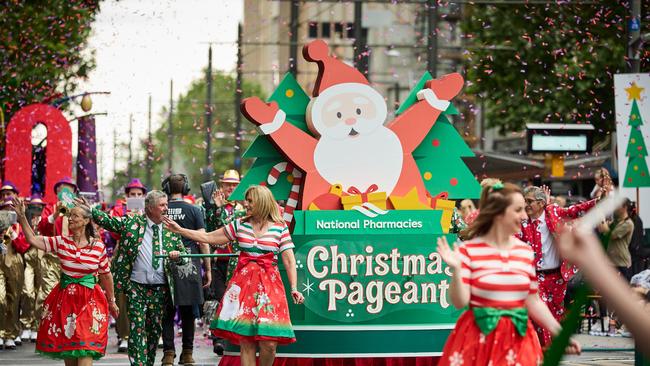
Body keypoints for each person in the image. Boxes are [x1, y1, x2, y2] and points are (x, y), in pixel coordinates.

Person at [436, 183, 580, 365]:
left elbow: (534, 301)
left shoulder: (525, 252)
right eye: (518, 209)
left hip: (518, 340)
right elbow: (460, 302)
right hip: (480, 340)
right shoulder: (469, 250)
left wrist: (561, 334)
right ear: (499, 213)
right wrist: (457, 270)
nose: (524, 215)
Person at [164, 185, 304, 366]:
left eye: (250, 201)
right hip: (243, 285)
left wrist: (294, 287)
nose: (246, 204)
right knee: (246, 340)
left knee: (269, 343)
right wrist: (180, 230)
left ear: (261, 202)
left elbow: (289, 260)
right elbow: (209, 237)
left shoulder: (280, 228)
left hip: (270, 286)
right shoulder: (240, 225)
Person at [83, 190, 187, 366]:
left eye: (166, 204)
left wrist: (178, 256)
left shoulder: (171, 228)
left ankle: (147, 362)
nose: (166, 208)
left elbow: (184, 256)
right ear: (149, 208)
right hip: (135, 287)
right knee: (137, 329)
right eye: (162, 205)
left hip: (160, 289)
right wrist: (90, 210)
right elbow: (108, 221)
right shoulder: (132, 223)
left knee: (154, 332)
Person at [12, 198, 119, 364]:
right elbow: (33, 239)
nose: (70, 219)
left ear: (86, 221)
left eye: (75, 216)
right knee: (69, 355)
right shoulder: (61, 241)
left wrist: (112, 301)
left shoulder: (98, 246)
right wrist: (22, 217)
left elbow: (106, 275)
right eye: (70, 215)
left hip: (90, 301)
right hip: (65, 303)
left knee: (85, 349)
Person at [518, 185, 597, 346]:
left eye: (529, 201)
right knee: (540, 316)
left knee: (555, 317)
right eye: (524, 201)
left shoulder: (553, 212)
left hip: (557, 277)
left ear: (541, 203)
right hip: (535, 277)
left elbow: (576, 210)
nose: (526, 205)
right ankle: (543, 352)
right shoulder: (521, 221)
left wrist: (599, 201)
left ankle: (551, 352)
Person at [557, 226, 650, 356]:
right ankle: (607, 319)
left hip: (620, 264)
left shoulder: (627, 224)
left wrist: (594, 265)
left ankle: (607, 319)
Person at [161, 174, 211, 365]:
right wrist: (208, 268)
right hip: (190, 263)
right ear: (186, 189)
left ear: (166, 189)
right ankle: (188, 353)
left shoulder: (161, 209)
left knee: (167, 310)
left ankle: (168, 354)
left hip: (164, 262)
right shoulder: (194, 209)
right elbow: (203, 241)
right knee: (188, 311)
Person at [202, 169, 246, 355]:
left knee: (236, 300)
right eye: (227, 184)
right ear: (222, 186)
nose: (230, 187)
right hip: (219, 261)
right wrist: (215, 208)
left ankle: (234, 338)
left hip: (237, 262)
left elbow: (231, 228)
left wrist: (220, 209)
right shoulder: (213, 206)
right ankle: (219, 339)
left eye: (234, 184)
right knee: (219, 299)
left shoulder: (243, 208)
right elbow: (211, 230)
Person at [108, 178, 147, 353]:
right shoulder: (118, 210)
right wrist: (127, 218)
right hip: (123, 258)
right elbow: (113, 235)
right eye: (133, 194)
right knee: (121, 297)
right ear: (127, 195)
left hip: (143, 258)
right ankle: (123, 335)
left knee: (144, 296)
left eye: (139, 194)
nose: (136, 197)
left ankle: (143, 333)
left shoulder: (149, 210)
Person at [19, 193, 50, 344]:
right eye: (33, 206)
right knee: (27, 291)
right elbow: (22, 240)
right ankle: (26, 324)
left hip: (44, 260)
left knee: (42, 294)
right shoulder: (25, 220)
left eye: (40, 206)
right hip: (29, 259)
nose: (36, 209)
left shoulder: (46, 220)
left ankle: (37, 327)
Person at [0, 197, 29, 350]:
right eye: (5, 209)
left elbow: (24, 247)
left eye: (11, 210)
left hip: (14, 263)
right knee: (0, 299)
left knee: (14, 299)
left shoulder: (18, 227)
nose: (8, 212)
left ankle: (10, 334)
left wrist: (14, 235)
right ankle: (0, 332)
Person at [598, 198, 634, 280]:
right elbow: (601, 230)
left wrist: (602, 217)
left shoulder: (628, 224)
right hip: (610, 261)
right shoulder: (616, 221)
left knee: (623, 288)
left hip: (621, 262)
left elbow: (611, 235)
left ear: (624, 208)